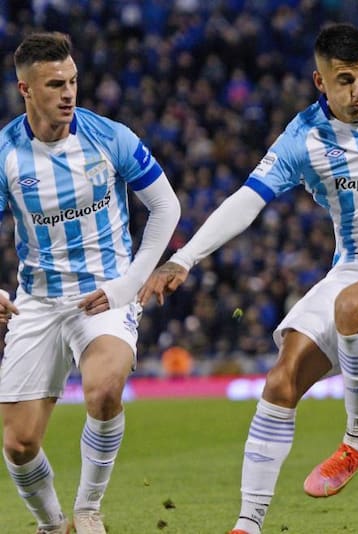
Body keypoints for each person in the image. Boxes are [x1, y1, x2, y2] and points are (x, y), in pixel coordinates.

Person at [137, 23, 358, 534]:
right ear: (321, 82)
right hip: (353, 270)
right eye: (345, 80)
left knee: (350, 305)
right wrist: (184, 259)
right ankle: (247, 524)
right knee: (282, 378)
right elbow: (247, 200)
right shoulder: (304, 137)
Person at [0, 32, 181, 534]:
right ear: (25, 89)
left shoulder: (109, 137)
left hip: (104, 293)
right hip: (37, 302)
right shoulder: (6, 153)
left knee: (103, 390)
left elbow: (166, 207)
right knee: (18, 444)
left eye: (73, 81)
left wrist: (130, 283)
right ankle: (54, 525)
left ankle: (87, 510)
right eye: (55, 84)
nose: (68, 93)